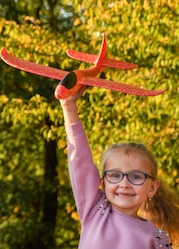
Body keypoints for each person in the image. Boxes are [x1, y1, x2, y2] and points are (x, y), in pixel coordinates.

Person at [59, 88, 179, 248]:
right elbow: (80, 161)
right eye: (115, 176)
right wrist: (68, 106)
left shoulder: (156, 237)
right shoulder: (94, 209)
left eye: (136, 177)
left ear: (152, 187)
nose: (124, 184)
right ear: (103, 182)